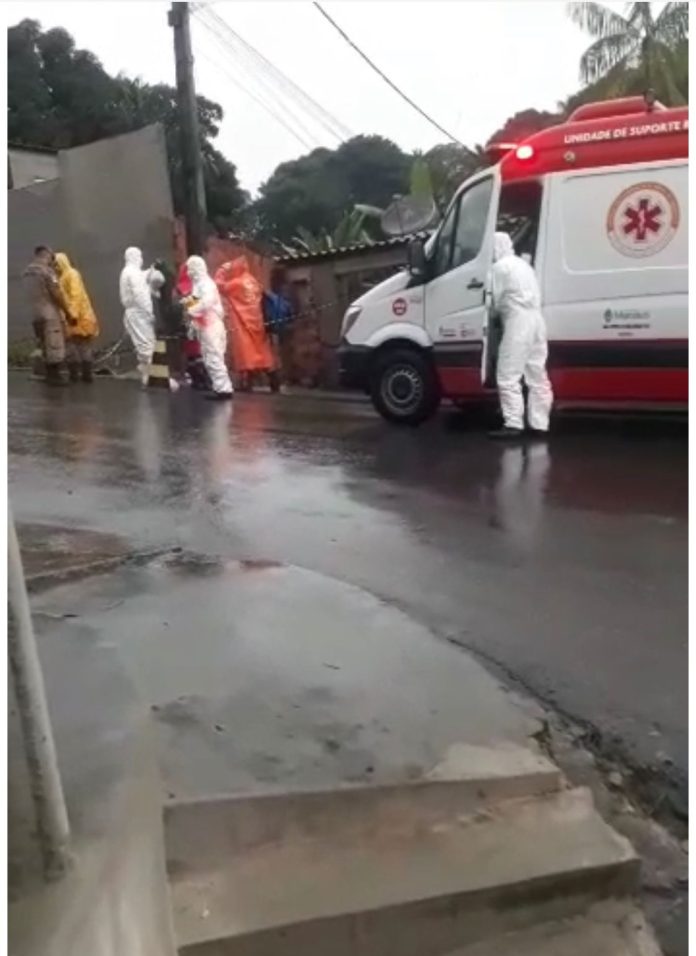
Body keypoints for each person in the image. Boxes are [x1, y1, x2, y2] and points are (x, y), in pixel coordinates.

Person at [488, 232, 553, 440]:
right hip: (537, 321)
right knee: (537, 374)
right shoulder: (524, 265)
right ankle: (540, 424)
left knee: (507, 374)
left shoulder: (499, 268)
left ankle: (513, 423)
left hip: (518, 321)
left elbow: (494, 303)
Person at [215, 256, 278, 392]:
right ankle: (274, 381)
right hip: (258, 323)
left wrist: (223, 269)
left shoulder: (236, 284)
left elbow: (219, 285)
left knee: (246, 354)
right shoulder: (253, 282)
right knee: (263, 353)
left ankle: (247, 382)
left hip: (243, 323)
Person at [184, 255, 234, 401]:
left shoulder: (206, 284)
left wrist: (191, 310)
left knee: (214, 357)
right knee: (209, 357)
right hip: (206, 325)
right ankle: (220, 387)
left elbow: (206, 302)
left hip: (212, 325)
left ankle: (224, 389)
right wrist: (192, 320)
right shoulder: (199, 285)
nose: (189, 272)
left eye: (191, 269)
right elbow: (194, 302)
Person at [22, 245, 68, 386]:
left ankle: (49, 374)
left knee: (43, 343)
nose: (52, 261)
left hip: (35, 314)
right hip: (49, 313)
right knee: (54, 343)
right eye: (51, 257)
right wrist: (66, 310)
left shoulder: (26, 273)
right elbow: (56, 294)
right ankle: (54, 376)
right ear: (46, 255)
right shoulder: (47, 272)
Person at [54, 252, 99, 383]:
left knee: (78, 345)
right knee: (75, 347)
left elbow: (76, 295)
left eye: (56, 264)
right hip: (77, 317)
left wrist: (72, 315)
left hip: (79, 317)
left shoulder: (71, 275)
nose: (55, 267)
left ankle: (82, 375)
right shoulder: (63, 277)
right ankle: (82, 375)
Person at [119, 246, 156, 388]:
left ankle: (148, 376)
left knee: (144, 346)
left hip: (135, 313)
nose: (141, 259)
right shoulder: (132, 273)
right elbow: (140, 294)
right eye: (140, 256)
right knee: (147, 345)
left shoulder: (129, 272)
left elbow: (141, 278)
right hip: (139, 313)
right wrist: (148, 313)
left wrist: (149, 271)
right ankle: (150, 378)